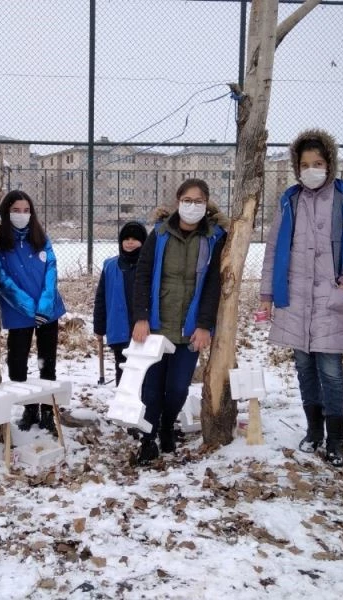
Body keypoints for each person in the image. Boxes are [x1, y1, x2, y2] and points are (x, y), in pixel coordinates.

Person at [258, 129, 343, 467]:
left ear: (330, 163)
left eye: (318, 163)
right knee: (304, 367)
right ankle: (313, 431)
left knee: (331, 371)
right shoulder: (289, 200)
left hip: (329, 299)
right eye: (305, 164)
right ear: (296, 166)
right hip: (294, 298)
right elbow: (274, 248)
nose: (311, 169)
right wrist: (267, 294)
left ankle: (336, 440)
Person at [131, 178, 227, 464]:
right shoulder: (159, 234)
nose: (192, 206)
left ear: (206, 203)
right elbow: (143, 276)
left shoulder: (214, 237)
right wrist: (141, 317)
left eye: (199, 201)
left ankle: (166, 424)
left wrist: (204, 324)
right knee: (152, 386)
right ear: (178, 201)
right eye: (187, 200)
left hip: (189, 327)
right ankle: (148, 439)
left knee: (177, 389)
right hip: (157, 326)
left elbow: (213, 284)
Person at [0, 190, 66, 433]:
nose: (22, 215)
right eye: (16, 210)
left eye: (26, 210)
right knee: (17, 362)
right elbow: (2, 279)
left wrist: (45, 306)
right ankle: (29, 408)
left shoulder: (40, 238)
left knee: (47, 362)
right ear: (6, 212)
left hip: (48, 311)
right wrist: (28, 307)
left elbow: (51, 269)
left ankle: (47, 412)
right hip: (18, 312)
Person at [94, 221, 148, 385]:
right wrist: (99, 327)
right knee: (122, 369)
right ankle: (123, 404)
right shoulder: (110, 266)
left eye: (135, 239)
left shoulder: (148, 266)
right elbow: (101, 297)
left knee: (144, 371)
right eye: (126, 238)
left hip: (143, 328)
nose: (130, 242)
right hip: (119, 328)